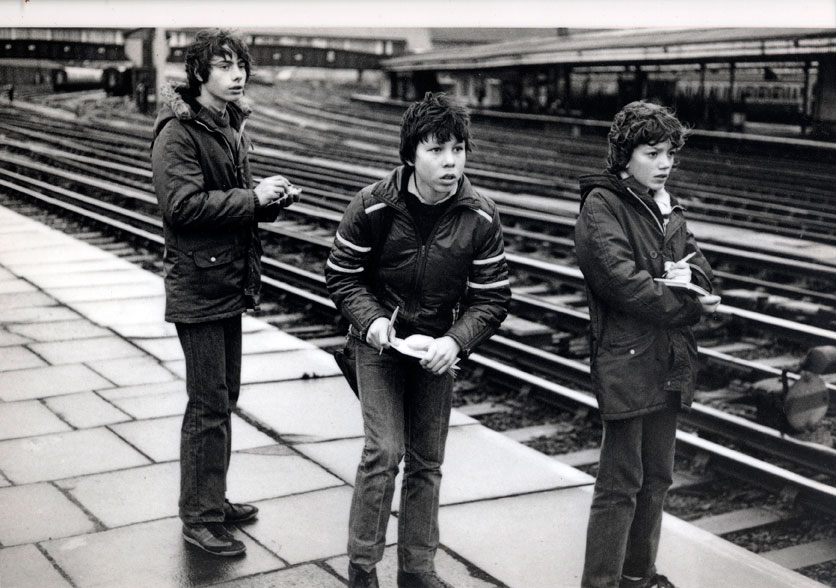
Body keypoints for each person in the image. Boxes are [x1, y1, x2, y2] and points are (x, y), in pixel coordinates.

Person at [325, 92, 512, 588]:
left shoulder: (480, 216)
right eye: (436, 149)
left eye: (458, 148)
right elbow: (342, 276)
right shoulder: (372, 205)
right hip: (379, 343)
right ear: (410, 155)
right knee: (384, 452)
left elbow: (492, 298)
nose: (450, 161)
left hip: (435, 349)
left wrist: (455, 341)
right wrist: (374, 325)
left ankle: (417, 569)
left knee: (428, 460)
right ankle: (363, 569)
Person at [150, 28, 300, 557]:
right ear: (199, 74)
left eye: (241, 65)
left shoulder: (226, 125)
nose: (238, 75)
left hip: (226, 280)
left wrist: (269, 201)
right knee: (208, 403)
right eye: (225, 66)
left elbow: (232, 201)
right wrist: (250, 198)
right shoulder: (178, 132)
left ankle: (213, 497)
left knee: (224, 397)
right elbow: (183, 208)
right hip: (198, 282)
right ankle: (199, 517)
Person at [574, 101, 720, 588]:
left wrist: (691, 280)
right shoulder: (601, 206)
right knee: (620, 484)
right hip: (627, 359)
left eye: (669, 155)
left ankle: (639, 576)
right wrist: (688, 303)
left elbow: (702, 268)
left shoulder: (665, 205)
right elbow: (621, 282)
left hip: (668, 359)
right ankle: (600, 583)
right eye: (653, 153)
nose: (664, 164)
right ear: (623, 155)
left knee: (657, 478)